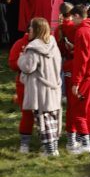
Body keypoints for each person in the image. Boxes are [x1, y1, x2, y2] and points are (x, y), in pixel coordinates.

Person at [17, 18, 63, 156]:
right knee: (53, 119)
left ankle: (50, 151)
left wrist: (21, 58)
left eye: (30, 28)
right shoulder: (53, 43)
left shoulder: (33, 48)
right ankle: (53, 148)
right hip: (53, 86)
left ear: (36, 30)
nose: (28, 31)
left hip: (40, 89)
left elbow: (28, 67)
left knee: (43, 120)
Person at [64, 4, 90, 154]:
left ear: (78, 16)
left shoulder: (81, 32)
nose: (72, 20)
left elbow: (81, 60)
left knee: (79, 111)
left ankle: (86, 145)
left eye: (73, 17)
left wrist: (76, 82)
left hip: (85, 76)